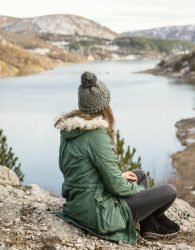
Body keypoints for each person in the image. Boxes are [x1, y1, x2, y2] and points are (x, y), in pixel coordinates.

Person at [54, 71, 180, 245]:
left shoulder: (70, 130)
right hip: (98, 214)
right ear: (104, 106)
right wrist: (138, 191)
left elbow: (77, 171)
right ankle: (150, 225)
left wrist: (122, 178)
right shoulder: (96, 134)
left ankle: (149, 226)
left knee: (140, 175)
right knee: (169, 191)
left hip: (79, 204)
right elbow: (115, 186)